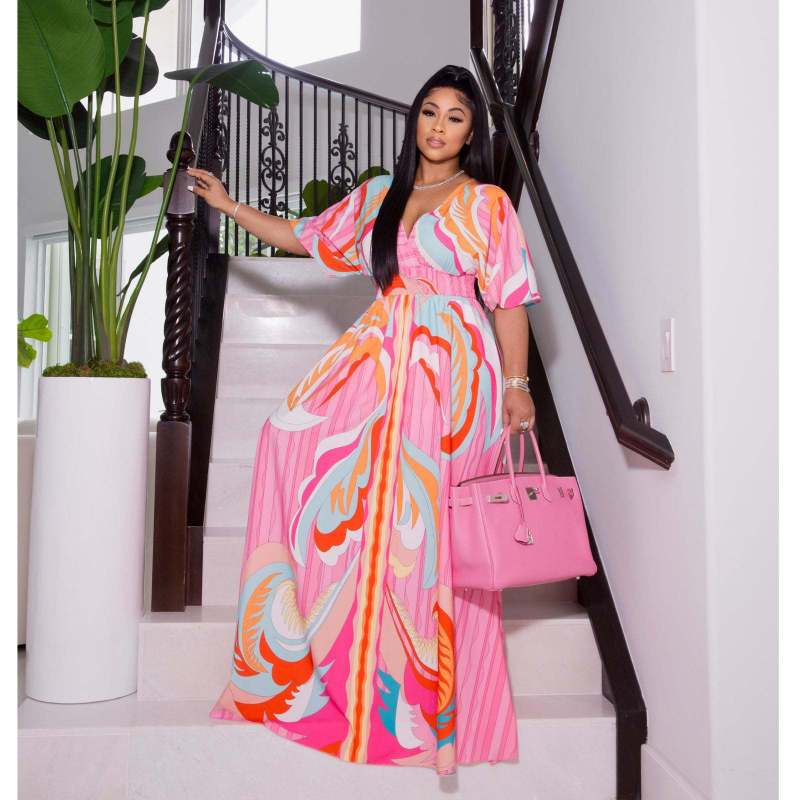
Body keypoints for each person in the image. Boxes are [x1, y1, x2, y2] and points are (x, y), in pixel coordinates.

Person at [189, 64, 542, 776]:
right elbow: (304, 236)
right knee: (287, 436)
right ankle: (330, 669)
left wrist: (517, 385)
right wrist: (229, 207)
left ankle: (437, 715)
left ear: (471, 134)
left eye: (455, 118)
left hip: (454, 375)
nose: (439, 127)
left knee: (432, 533)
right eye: (430, 112)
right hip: (378, 354)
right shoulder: (382, 195)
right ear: (415, 119)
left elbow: (508, 298)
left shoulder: (488, 204)